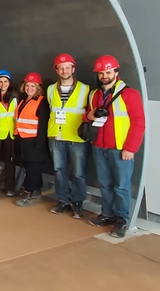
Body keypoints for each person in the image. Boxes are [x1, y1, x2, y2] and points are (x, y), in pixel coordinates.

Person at [86, 55, 146, 238]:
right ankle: (107, 214)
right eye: (101, 73)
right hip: (99, 147)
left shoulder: (130, 94)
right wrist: (91, 116)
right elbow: (86, 117)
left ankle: (121, 219)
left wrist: (130, 148)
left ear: (116, 72)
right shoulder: (94, 95)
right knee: (105, 184)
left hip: (121, 149)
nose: (104, 75)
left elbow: (139, 122)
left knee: (121, 186)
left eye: (108, 72)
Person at [46, 53, 90, 220]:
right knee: (59, 171)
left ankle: (78, 202)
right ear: (57, 70)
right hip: (56, 136)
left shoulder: (85, 89)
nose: (64, 71)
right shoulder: (51, 89)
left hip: (76, 137)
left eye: (67, 67)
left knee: (78, 172)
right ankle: (63, 200)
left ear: (73, 68)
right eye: (61, 68)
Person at [15, 73, 51, 207]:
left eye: (32, 86)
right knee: (30, 168)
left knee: (33, 169)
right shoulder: (24, 100)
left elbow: (42, 124)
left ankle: (29, 191)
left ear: (38, 87)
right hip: (24, 141)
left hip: (34, 142)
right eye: (27, 85)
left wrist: (40, 143)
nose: (29, 88)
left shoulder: (41, 102)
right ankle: (36, 189)